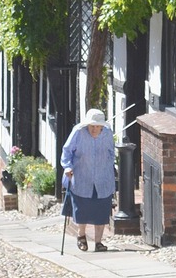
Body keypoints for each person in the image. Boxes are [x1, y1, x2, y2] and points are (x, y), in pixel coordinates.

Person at [61, 108, 115, 252]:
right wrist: (67, 167)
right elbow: (67, 151)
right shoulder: (78, 132)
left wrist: (110, 168)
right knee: (82, 208)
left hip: (103, 177)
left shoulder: (108, 133)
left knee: (101, 209)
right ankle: (81, 235)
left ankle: (98, 242)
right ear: (87, 125)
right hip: (82, 176)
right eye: (92, 126)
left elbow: (111, 152)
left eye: (98, 126)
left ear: (102, 126)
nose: (94, 129)